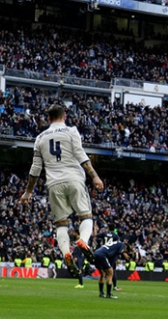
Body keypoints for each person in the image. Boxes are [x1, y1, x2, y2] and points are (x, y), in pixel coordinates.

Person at [20, 104, 104, 278]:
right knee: (85, 216)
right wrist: (94, 176)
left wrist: (28, 192)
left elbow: (35, 168)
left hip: (54, 183)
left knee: (61, 224)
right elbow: (81, 156)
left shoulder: (40, 138)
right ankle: (83, 241)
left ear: (48, 119)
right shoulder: (71, 132)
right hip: (74, 178)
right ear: (64, 116)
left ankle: (66, 252)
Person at [96, 223, 122, 291]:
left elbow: (96, 235)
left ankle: (101, 292)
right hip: (111, 255)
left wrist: (95, 227)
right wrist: (118, 257)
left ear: (108, 228)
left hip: (103, 252)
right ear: (114, 229)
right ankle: (115, 287)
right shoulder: (116, 236)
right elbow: (118, 246)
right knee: (112, 272)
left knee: (102, 273)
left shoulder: (104, 234)